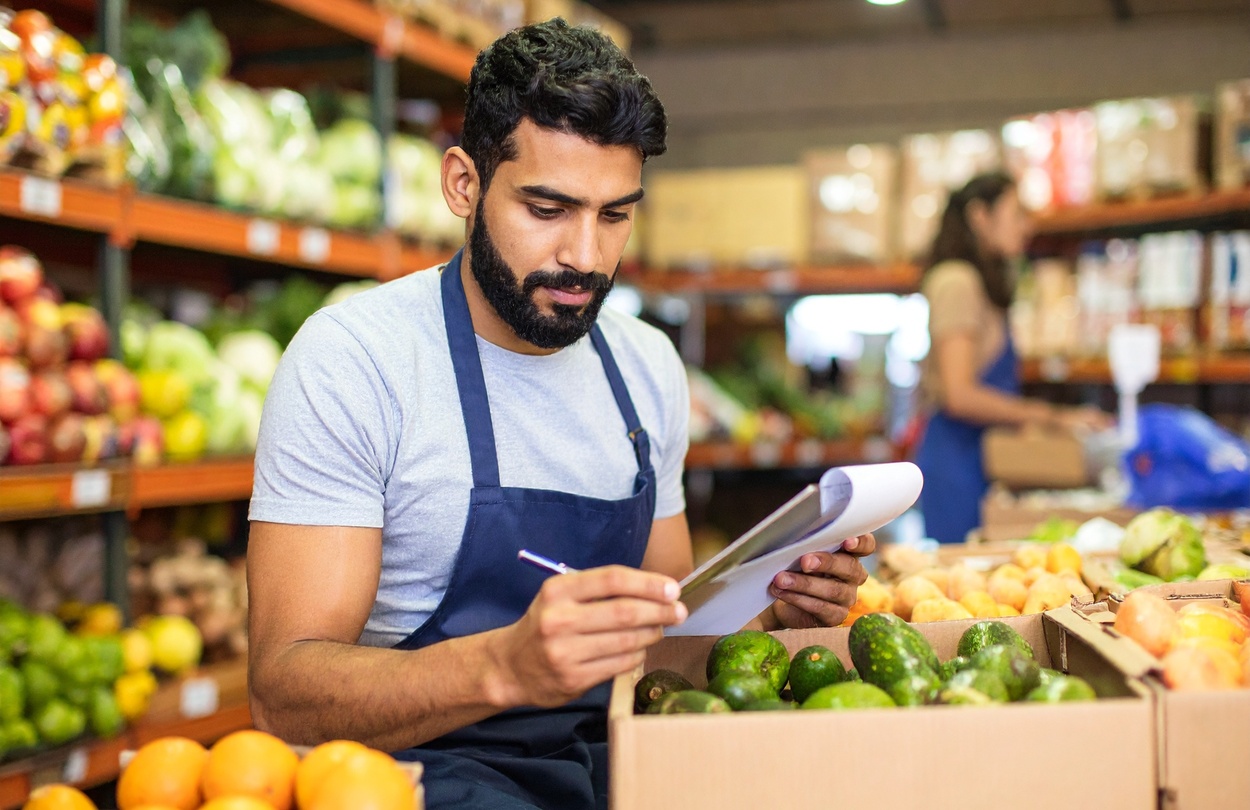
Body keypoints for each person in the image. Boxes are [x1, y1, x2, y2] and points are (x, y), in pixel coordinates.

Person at [246, 19, 875, 810]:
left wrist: (776, 612)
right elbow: (283, 693)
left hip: (618, 769)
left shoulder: (645, 367)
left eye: (614, 215)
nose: (585, 256)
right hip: (420, 782)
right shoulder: (356, 361)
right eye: (548, 208)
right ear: (463, 185)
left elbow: (667, 650)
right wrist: (503, 667)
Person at [914, 172, 1108, 544]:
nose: (1027, 226)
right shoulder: (956, 282)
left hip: (982, 457)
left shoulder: (982, 283)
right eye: (1017, 213)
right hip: (958, 465)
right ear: (980, 216)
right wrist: (1053, 418)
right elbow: (959, 395)